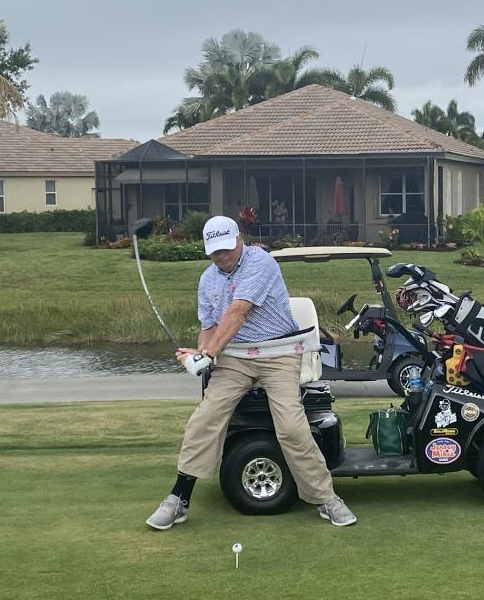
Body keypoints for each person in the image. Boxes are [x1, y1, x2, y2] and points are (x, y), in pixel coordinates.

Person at [146, 215, 356, 530]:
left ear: (239, 240)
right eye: (215, 251)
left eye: (227, 248)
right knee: (206, 418)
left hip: (279, 353)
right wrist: (202, 354)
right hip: (236, 358)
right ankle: (179, 498)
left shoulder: (261, 262)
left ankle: (326, 498)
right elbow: (210, 327)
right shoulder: (207, 280)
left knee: (291, 425)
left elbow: (238, 312)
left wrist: (209, 353)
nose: (222, 256)